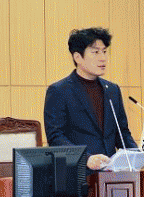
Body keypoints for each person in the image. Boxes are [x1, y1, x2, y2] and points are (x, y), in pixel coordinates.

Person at [44, 27, 137, 171]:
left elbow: (122, 133)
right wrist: (86, 158)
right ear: (77, 57)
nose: (103, 58)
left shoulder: (112, 90)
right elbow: (56, 138)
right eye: (95, 52)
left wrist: (138, 155)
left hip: (111, 174)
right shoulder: (59, 91)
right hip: (78, 174)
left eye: (104, 51)